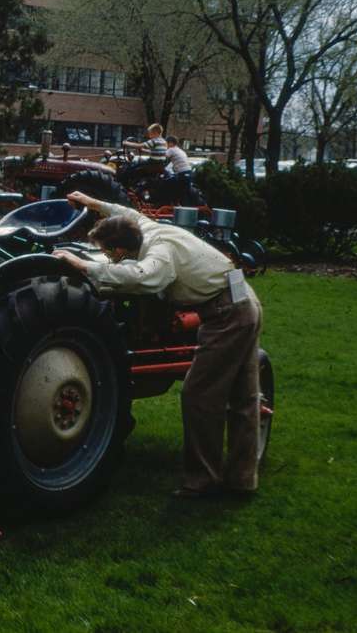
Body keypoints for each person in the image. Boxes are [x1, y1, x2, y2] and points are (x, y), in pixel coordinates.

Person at [52, 191, 264, 499]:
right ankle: (241, 481)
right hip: (242, 300)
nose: (111, 259)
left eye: (111, 254)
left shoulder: (159, 252)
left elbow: (142, 277)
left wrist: (85, 267)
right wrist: (93, 203)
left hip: (227, 315)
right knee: (243, 397)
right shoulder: (143, 227)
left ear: (123, 248)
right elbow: (124, 211)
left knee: (199, 394)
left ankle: (202, 481)